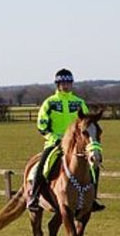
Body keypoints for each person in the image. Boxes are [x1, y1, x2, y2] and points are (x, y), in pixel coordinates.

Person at [27, 68, 105, 212]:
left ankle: (92, 198)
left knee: (94, 167)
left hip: (77, 145)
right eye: (63, 83)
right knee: (43, 165)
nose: (66, 85)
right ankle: (34, 196)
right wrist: (54, 138)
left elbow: (86, 124)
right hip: (55, 143)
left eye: (68, 82)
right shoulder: (49, 103)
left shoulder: (79, 102)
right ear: (57, 84)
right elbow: (41, 125)